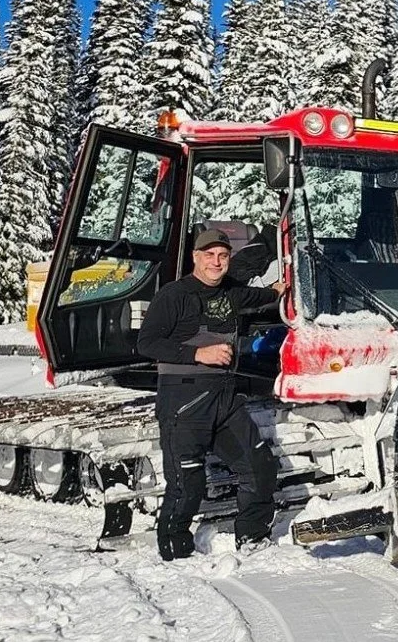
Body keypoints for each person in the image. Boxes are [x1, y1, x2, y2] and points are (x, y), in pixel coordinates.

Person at [136, 228, 288, 560]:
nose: (216, 262)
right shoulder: (174, 295)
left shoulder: (233, 292)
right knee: (187, 487)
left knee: (259, 466)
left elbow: (263, 295)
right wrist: (197, 354)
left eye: (222, 256)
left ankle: (252, 538)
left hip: (224, 399)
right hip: (184, 402)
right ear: (195, 258)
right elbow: (146, 342)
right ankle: (175, 554)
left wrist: (278, 290)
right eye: (209, 255)